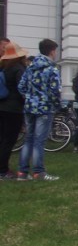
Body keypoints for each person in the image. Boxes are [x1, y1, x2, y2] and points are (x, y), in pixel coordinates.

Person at [17, 39, 62, 181]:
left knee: (29, 139)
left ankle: (22, 173)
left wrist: (29, 97)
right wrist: (57, 105)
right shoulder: (52, 69)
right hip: (44, 108)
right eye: (55, 51)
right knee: (39, 141)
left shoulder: (30, 67)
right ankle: (39, 172)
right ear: (51, 51)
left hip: (29, 107)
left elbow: (21, 86)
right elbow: (55, 91)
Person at [0, 41, 29, 179]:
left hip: (2, 106)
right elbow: (22, 89)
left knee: (2, 139)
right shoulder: (19, 68)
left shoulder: (5, 68)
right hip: (14, 109)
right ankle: (3, 170)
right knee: (9, 140)